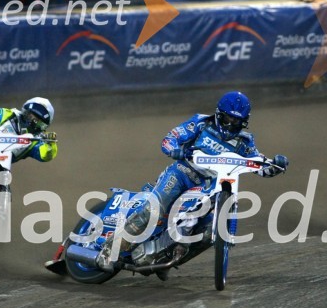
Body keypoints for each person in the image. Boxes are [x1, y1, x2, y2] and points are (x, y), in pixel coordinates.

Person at [96, 91, 289, 271]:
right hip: (181, 173)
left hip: (209, 186)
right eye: (229, 118)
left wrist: (276, 165)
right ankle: (109, 250)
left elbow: (259, 165)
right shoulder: (200, 123)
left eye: (237, 121)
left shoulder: (245, 142)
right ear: (219, 114)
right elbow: (170, 138)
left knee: (206, 228)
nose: (232, 125)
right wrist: (175, 150)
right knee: (155, 209)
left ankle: (165, 256)